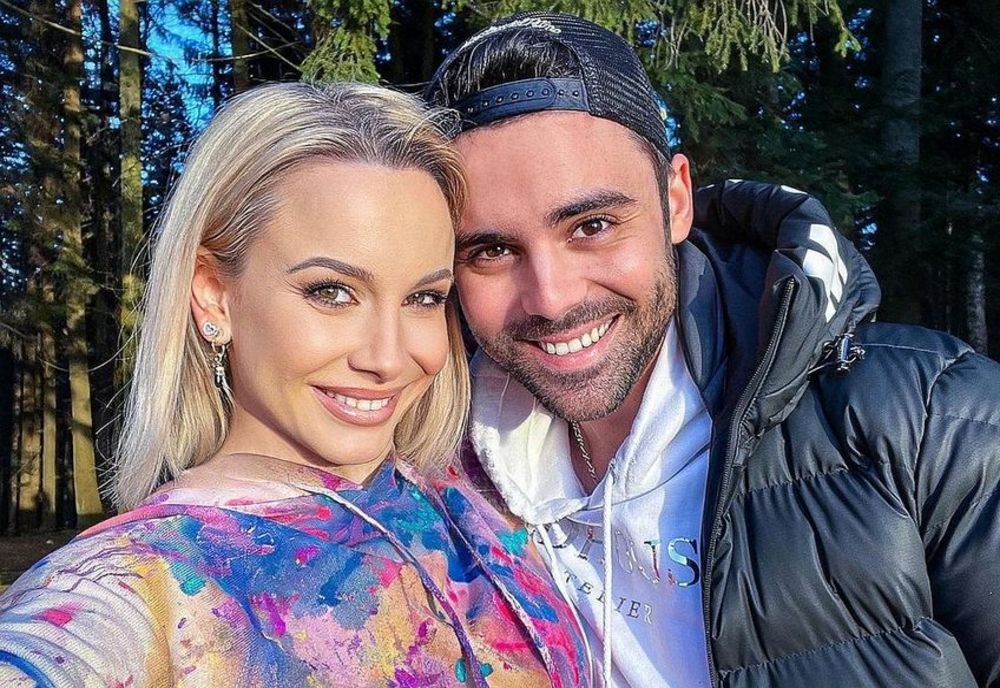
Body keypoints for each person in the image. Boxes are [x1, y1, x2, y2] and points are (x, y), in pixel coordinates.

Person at [424, 11, 1000, 688]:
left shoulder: (936, 422)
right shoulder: (439, 479)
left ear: (675, 200)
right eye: (492, 250)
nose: (550, 298)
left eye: (592, 225)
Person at [0, 82, 590, 688]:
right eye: (331, 292)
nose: (388, 359)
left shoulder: (480, 491)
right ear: (214, 294)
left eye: (423, 297)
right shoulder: (139, 584)